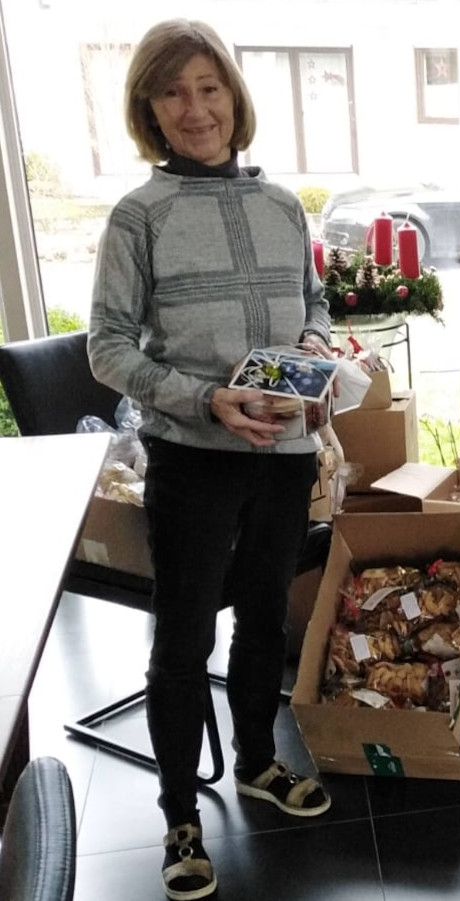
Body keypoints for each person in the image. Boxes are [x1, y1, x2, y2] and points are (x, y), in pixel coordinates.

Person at [89, 19, 333, 900]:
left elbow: (315, 308)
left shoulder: (281, 206)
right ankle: (180, 814)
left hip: (284, 451)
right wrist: (203, 398)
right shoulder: (138, 217)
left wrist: (311, 349)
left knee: (265, 612)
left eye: (209, 87)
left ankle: (262, 761)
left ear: (234, 94)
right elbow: (109, 348)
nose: (195, 108)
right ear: (150, 111)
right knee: (184, 636)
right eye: (172, 92)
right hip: (193, 455)